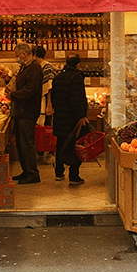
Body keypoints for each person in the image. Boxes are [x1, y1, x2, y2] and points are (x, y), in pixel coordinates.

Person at [5, 41, 43, 184]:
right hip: (22, 111)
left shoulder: (34, 68)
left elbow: (30, 89)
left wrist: (13, 95)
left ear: (23, 54)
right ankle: (26, 171)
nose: (16, 58)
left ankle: (33, 174)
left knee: (27, 143)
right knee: (21, 143)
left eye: (17, 55)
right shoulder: (25, 68)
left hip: (28, 111)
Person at [51, 54, 88, 185]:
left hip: (60, 116)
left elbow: (53, 97)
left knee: (60, 144)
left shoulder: (58, 77)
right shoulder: (76, 77)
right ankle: (73, 175)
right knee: (74, 145)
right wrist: (81, 115)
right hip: (72, 118)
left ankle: (59, 172)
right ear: (78, 64)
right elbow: (76, 100)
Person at [33, 44, 56, 126]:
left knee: (45, 124)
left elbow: (49, 88)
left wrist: (49, 104)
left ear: (35, 54)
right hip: (39, 100)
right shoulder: (38, 66)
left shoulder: (47, 67)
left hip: (46, 101)